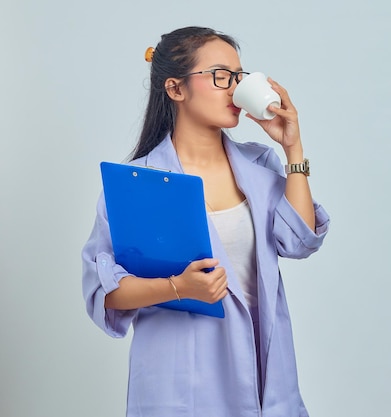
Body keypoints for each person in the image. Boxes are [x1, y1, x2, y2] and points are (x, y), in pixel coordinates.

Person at [81, 26, 330, 417]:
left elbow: (298, 241)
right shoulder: (136, 183)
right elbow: (104, 291)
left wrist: (292, 148)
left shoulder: (260, 166)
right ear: (176, 89)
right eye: (219, 76)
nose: (234, 89)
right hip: (180, 380)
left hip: (265, 368)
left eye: (238, 77)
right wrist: (178, 286)